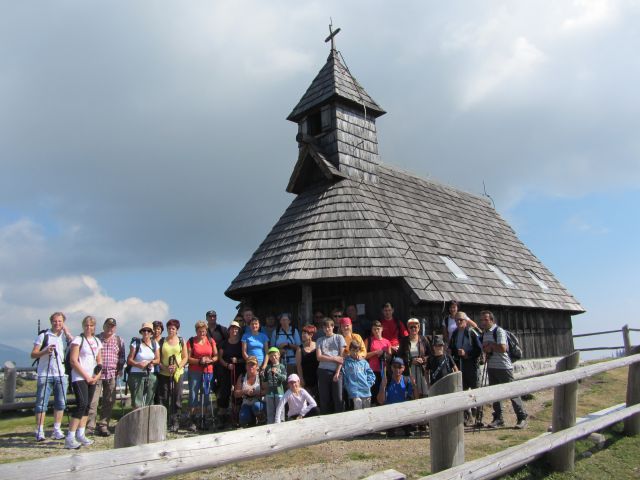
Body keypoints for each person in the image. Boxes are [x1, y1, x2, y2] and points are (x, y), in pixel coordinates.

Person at [480, 310, 528, 429]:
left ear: (492, 320)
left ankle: (522, 417)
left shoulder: (499, 331)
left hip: (503, 366)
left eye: (486, 320)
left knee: (512, 392)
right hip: (492, 365)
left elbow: (503, 348)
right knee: (495, 394)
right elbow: (486, 348)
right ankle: (498, 418)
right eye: (482, 320)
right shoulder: (485, 333)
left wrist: (490, 347)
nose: (483, 322)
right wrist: (486, 350)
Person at [31, 312, 74, 442]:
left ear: (63, 323)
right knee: (41, 404)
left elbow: (74, 343)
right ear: (51, 322)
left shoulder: (64, 337)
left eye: (60, 321)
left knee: (61, 403)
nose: (57, 324)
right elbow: (33, 354)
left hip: (60, 373)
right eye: (55, 321)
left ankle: (57, 429)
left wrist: (67, 332)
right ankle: (39, 430)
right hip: (45, 374)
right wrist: (45, 351)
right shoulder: (43, 335)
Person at [66, 315, 103, 449]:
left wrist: (96, 376)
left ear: (94, 327)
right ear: (83, 326)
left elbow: (99, 361)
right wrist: (86, 376)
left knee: (88, 405)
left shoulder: (97, 341)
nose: (89, 328)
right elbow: (73, 360)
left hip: (92, 377)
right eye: (86, 325)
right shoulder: (78, 340)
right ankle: (70, 436)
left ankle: (81, 434)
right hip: (79, 377)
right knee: (81, 404)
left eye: (91, 325)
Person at [87, 317, 125, 437]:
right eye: (108, 326)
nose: (110, 328)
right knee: (93, 401)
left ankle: (103, 425)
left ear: (115, 328)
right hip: (96, 374)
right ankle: (90, 426)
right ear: (103, 326)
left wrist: (120, 369)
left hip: (112, 374)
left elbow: (122, 357)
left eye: (112, 326)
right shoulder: (96, 339)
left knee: (109, 401)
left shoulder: (119, 340)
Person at [449, 311, 483, 426]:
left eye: (461, 320)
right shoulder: (454, 333)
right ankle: (467, 417)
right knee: (462, 390)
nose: (458, 322)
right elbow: (452, 348)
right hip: (460, 365)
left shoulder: (471, 332)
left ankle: (478, 417)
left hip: (471, 365)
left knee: (475, 390)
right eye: (457, 320)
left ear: (465, 321)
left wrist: (467, 354)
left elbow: (478, 349)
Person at [157, 319, 188, 432]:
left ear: (177, 330)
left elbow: (185, 357)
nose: (171, 330)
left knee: (177, 397)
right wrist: (165, 368)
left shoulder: (181, 340)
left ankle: (175, 421)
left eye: (173, 328)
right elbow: (158, 358)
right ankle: (163, 421)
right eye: (169, 328)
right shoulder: (162, 341)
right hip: (164, 373)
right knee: (163, 397)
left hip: (178, 373)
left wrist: (178, 367)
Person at [187, 320, 217, 431]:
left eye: (204, 331)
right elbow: (188, 358)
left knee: (206, 393)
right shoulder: (191, 341)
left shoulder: (210, 340)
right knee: (193, 394)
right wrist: (199, 361)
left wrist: (210, 360)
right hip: (195, 370)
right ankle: (193, 419)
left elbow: (216, 355)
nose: (202, 333)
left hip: (208, 370)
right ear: (196, 331)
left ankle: (204, 417)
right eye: (200, 331)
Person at [376, 357, 416, 437]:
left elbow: (416, 398)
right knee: (391, 434)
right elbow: (380, 401)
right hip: (390, 413)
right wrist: (383, 387)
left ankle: (405, 427)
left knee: (409, 433)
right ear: (391, 367)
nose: (397, 369)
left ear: (403, 368)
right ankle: (392, 428)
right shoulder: (387, 381)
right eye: (395, 367)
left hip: (404, 412)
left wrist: (414, 385)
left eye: (400, 367)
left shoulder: (407, 380)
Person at [217, 320, 244, 427]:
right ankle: (222, 418)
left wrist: (238, 361)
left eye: (236, 328)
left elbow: (244, 357)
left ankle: (236, 416)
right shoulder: (224, 343)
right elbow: (220, 358)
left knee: (237, 393)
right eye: (232, 328)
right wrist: (227, 365)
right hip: (226, 371)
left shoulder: (242, 343)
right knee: (224, 393)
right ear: (229, 330)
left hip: (239, 371)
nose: (234, 330)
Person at [127, 322, 160, 410]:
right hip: (136, 374)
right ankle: (136, 420)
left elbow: (158, 359)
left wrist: (150, 362)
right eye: (144, 330)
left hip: (151, 373)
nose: (146, 332)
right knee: (137, 400)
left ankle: (147, 420)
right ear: (141, 332)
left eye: (148, 331)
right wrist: (138, 364)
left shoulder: (155, 344)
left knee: (150, 399)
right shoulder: (136, 344)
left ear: (151, 333)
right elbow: (129, 360)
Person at [316, 318, 345, 414]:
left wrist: (337, 372)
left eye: (329, 327)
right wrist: (334, 358)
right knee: (324, 398)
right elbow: (319, 357)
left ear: (333, 327)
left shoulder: (339, 337)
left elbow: (341, 357)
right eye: (325, 327)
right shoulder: (320, 340)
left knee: (338, 398)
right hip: (323, 370)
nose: (327, 329)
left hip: (337, 371)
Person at [398, 318, 431, 399]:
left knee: (424, 393)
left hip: (422, 370)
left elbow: (431, 354)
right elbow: (399, 356)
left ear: (419, 328)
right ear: (408, 328)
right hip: (409, 370)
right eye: (411, 327)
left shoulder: (424, 339)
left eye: (415, 327)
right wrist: (410, 361)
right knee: (412, 394)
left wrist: (423, 360)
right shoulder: (404, 341)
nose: (413, 329)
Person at [342, 340, 375, 409]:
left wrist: (368, 384)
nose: (354, 353)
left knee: (367, 409)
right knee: (358, 404)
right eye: (353, 350)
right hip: (353, 390)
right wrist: (347, 386)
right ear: (349, 350)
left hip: (365, 389)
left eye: (357, 351)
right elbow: (344, 375)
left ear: (359, 351)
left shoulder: (363, 362)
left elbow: (371, 374)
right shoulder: (346, 362)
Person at [234, 356, 266, 427]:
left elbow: (267, 391)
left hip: (259, 402)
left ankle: (262, 420)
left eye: (253, 365)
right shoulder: (242, 377)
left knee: (256, 407)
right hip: (246, 403)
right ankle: (252, 421)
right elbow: (236, 394)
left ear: (257, 366)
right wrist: (244, 391)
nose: (251, 367)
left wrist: (257, 393)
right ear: (246, 366)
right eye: (249, 364)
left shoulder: (261, 376)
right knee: (243, 418)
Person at [365, 320, 392, 403]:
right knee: (374, 391)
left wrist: (384, 354)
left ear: (382, 329)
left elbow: (390, 357)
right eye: (374, 329)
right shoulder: (368, 340)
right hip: (372, 371)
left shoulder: (387, 342)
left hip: (384, 370)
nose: (376, 331)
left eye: (378, 329)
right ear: (372, 330)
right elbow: (364, 355)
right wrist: (376, 352)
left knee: (384, 390)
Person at [264, 347, 287, 423]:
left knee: (280, 410)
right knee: (270, 411)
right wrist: (261, 375)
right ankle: (270, 424)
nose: (273, 357)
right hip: (269, 393)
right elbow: (265, 380)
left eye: (275, 355)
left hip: (279, 392)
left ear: (279, 355)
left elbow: (284, 378)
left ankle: (281, 423)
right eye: (271, 356)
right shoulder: (268, 367)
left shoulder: (282, 366)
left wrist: (276, 373)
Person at [296, 324, 319, 399]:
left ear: (311, 335)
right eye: (302, 333)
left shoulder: (317, 345)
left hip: (317, 375)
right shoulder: (300, 348)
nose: (302, 335)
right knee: (307, 398)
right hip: (305, 377)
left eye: (305, 333)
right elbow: (298, 365)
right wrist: (301, 378)